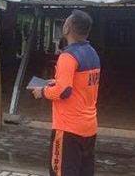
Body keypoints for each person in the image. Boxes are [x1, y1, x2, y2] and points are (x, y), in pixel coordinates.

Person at [32, 10, 101, 176]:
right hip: (89, 127)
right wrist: (56, 82)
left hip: (68, 129)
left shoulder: (67, 56)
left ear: (68, 27)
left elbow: (64, 92)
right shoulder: (93, 53)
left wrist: (43, 91)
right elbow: (79, 85)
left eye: (66, 21)